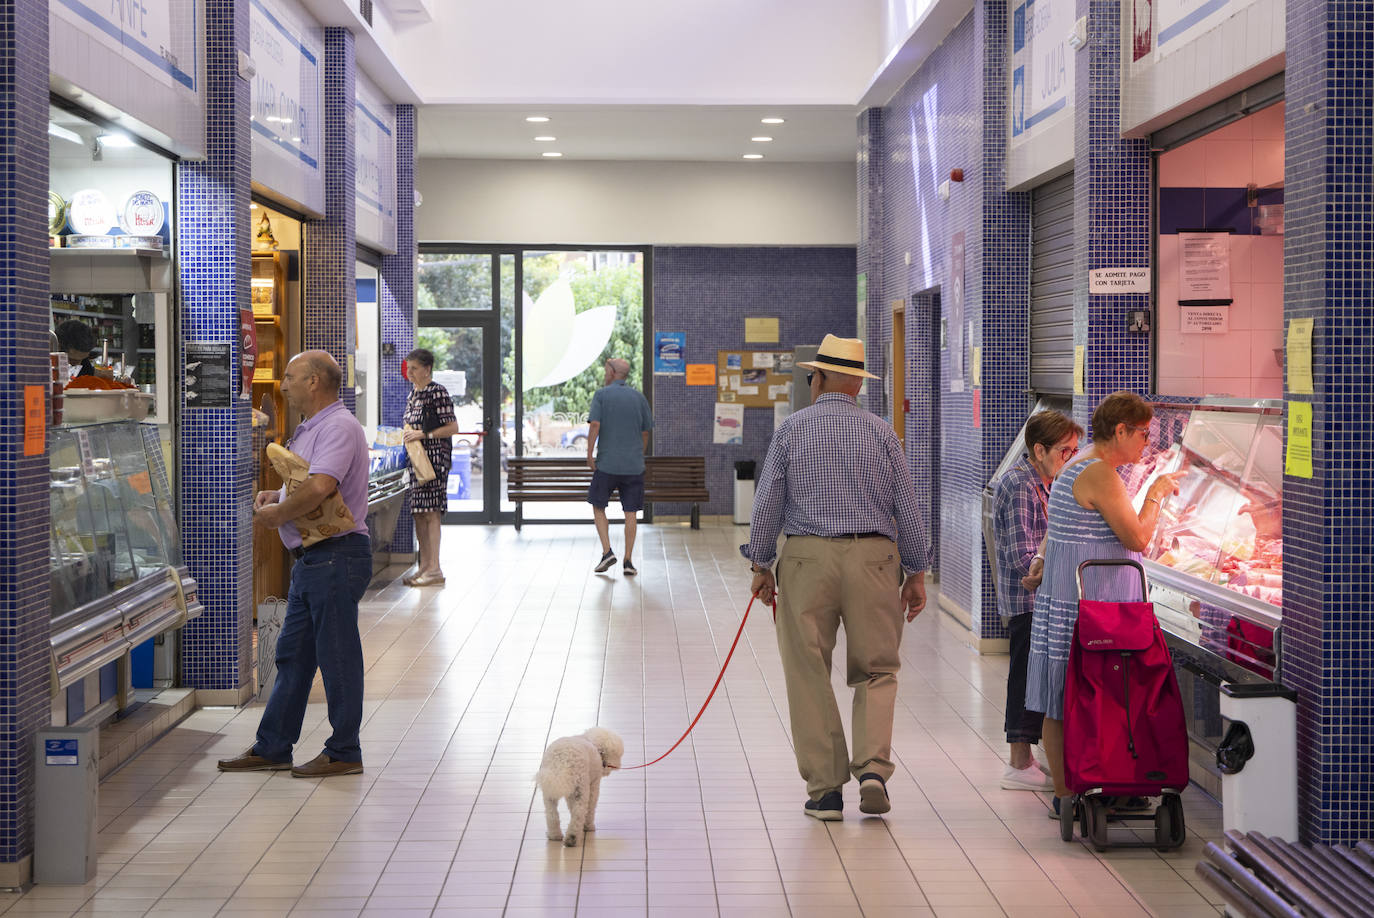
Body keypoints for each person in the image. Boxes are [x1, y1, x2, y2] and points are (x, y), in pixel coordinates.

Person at [744, 334, 929, 821]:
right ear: (857, 384)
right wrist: (916, 572)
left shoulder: (792, 431)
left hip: (807, 561)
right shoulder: (883, 433)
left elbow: (767, 504)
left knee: (808, 670)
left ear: (820, 378)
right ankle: (871, 770)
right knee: (877, 668)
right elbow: (907, 508)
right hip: (874, 559)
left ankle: (826, 791)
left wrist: (762, 564)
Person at [1024, 391, 1185, 819]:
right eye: (1143, 434)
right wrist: (1155, 493)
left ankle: (1074, 789)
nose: (1146, 444)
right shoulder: (1100, 472)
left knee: (1062, 692)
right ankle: (1068, 791)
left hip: (1073, 595)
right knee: (1071, 693)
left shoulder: (1081, 462)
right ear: (1120, 430)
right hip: (1090, 603)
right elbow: (1137, 538)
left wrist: (1041, 560)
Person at [218, 350, 373, 779]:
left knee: (337, 655)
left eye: (290, 377)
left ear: (315, 382)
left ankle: (344, 750)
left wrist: (278, 515)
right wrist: (278, 498)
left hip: (336, 557)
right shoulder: (311, 429)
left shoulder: (339, 426)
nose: (282, 385)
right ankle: (273, 746)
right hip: (313, 560)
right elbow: (303, 483)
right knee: (293, 656)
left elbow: (323, 487)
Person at [990, 410, 1083, 792]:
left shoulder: (1048, 482)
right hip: (1027, 602)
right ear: (1039, 449)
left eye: (1075, 451)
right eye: (1065, 451)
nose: (1071, 458)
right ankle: (1017, 761)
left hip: (1044, 599)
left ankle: (1029, 757)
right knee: (1024, 677)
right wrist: (1047, 566)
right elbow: (1021, 555)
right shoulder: (1020, 485)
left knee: (1034, 676)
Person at [586, 357, 653, 575]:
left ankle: (607, 552)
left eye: (606, 370)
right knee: (631, 512)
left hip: (607, 464)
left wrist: (589, 453)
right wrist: (638, 454)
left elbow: (595, 425)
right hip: (634, 466)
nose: (605, 373)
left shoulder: (602, 395)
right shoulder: (638, 397)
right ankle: (628, 561)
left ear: (613, 373)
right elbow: (645, 432)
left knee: (598, 506)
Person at [401, 348, 459, 587]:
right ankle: (424, 565)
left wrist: (424, 434)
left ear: (427, 369)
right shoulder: (413, 394)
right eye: (409, 368)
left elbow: (452, 427)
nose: (410, 373)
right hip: (416, 461)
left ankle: (434, 568)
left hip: (434, 461)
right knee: (419, 512)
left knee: (432, 512)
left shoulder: (438, 392)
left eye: (414, 368)